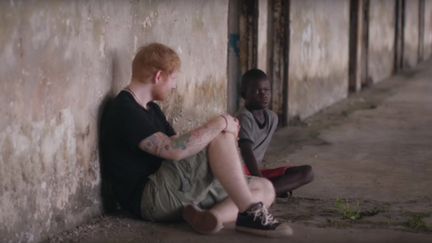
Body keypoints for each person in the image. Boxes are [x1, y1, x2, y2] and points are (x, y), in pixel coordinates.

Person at [100, 43, 293, 237]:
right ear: (159, 76)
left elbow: (179, 141)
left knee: (265, 188)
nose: (175, 86)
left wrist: (214, 138)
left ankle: (211, 217)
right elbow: (172, 150)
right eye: (173, 78)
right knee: (220, 134)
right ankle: (250, 213)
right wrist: (220, 123)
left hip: (174, 188)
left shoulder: (152, 109)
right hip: (150, 197)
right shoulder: (125, 110)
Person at [237, 68, 314, 198]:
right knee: (256, 181)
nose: (263, 94)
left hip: (254, 174)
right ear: (244, 94)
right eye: (257, 91)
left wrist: (260, 179)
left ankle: (266, 191)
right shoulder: (244, 118)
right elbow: (246, 152)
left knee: (307, 172)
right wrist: (261, 180)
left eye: (267, 90)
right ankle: (265, 190)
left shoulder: (273, 118)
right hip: (238, 173)